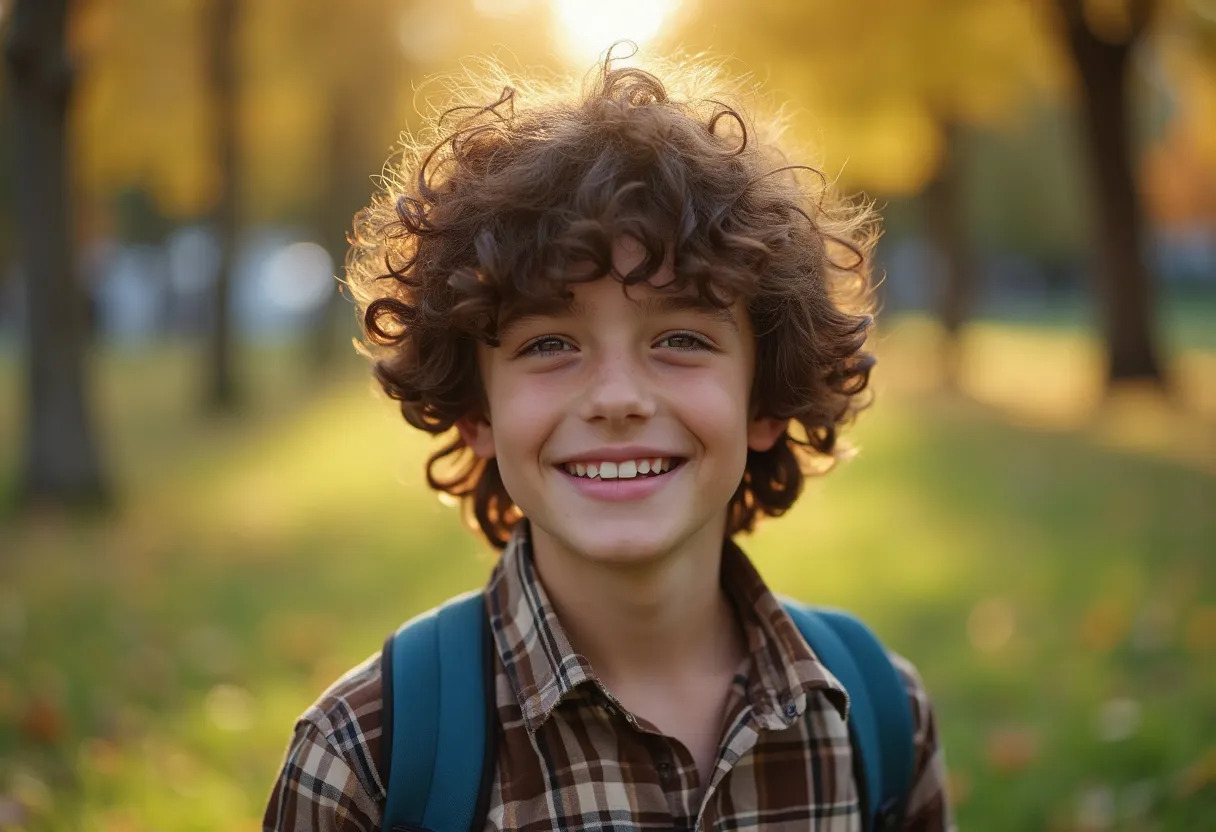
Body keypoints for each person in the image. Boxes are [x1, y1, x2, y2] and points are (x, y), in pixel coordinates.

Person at [263, 48, 953, 832]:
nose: (618, 398)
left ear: (764, 398)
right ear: (476, 412)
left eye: (683, 339)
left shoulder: (879, 715)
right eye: (549, 344)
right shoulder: (368, 760)